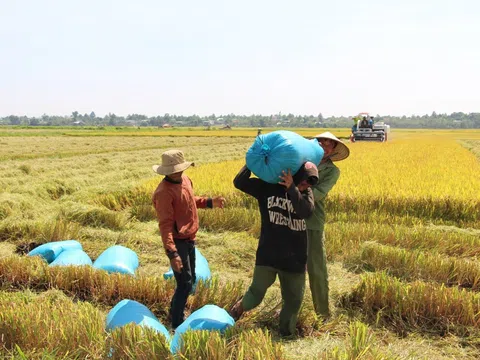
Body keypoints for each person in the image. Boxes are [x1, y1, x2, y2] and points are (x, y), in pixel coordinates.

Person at [230, 162, 319, 336]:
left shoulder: (306, 195)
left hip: (295, 259)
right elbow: (239, 182)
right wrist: (252, 162)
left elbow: (305, 212)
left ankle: (285, 334)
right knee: (255, 294)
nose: (307, 185)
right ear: (296, 174)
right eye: (305, 180)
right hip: (268, 254)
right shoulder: (268, 187)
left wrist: (293, 188)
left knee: (293, 302)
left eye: (311, 182)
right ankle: (237, 310)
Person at [152, 149, 226, 329]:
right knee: (184, 283)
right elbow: (165, 226)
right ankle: (176, 323)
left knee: (190, 280)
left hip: (189, 237)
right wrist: (173, 254)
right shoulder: (163, 193)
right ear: (167, 172)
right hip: (178, 241)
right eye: (174, 170)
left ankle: (175, 310)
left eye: (179, 169)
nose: (178, 172)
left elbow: (190, 200)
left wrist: (209, 202)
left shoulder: (185, 180)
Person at [306, 132, 350, 317]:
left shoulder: (332, 171)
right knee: (289, 268)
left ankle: (322, 313)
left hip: (312, 221)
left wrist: (294, 189)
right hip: (289, 218)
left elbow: (318, 193)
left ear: (333, 151)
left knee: (316, 268)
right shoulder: (302, 162)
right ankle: (289, 308)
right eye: (320, 141)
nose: (324, 145)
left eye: (328, 144)